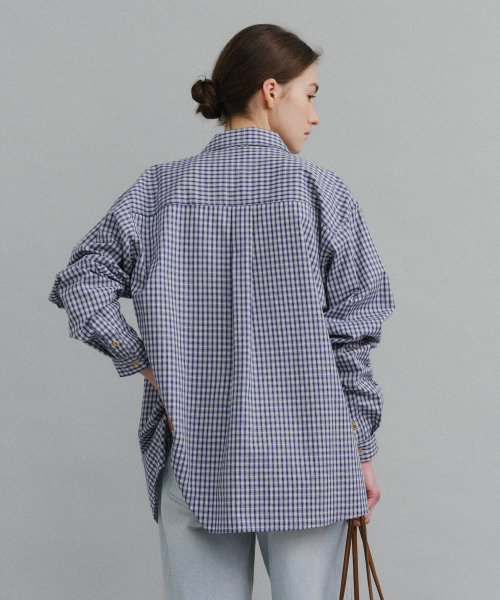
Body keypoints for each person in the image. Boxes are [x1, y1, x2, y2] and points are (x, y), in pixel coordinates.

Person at [49, 23, 394, 600]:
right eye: (310, 95)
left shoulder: (159, 192)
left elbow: (82, 279)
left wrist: (147, 366)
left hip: (196, 456)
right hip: (309, 459)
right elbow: (352, 337)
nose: (314, 116)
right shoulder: (321, 192)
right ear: (271, 91)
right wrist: (360, 451)